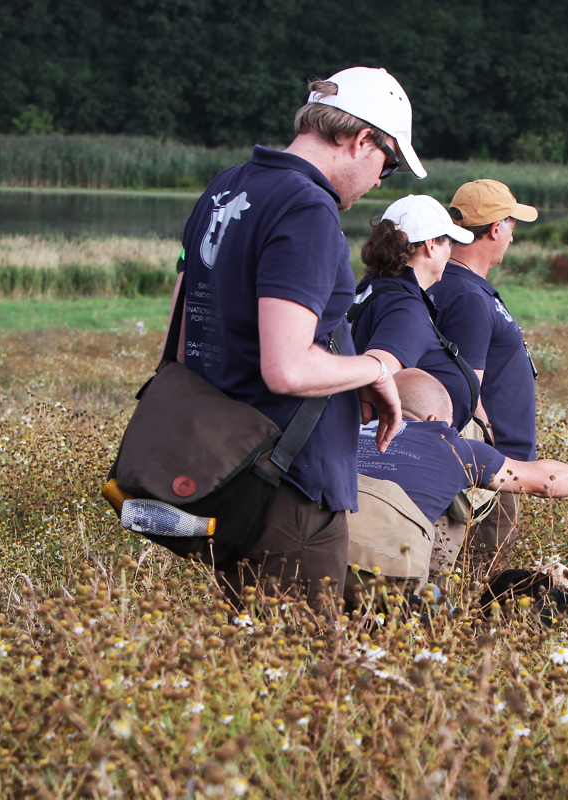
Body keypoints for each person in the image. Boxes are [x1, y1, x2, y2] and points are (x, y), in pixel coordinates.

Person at [173, 67, 426, 605]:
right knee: (305, 672)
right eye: (389, 164)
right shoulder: (308, 208)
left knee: (245, 663)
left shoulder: (226, 187)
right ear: (362, 140)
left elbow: (181, 334)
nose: (383, 180)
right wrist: (378, 368)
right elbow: (287, 368)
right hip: (290, 482)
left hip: (227, 467)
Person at [356, 369, 568, 543]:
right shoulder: (452, 446)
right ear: (433, 418)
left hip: (321, 557)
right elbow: (543, 481)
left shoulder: (340, 435)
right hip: (390, 567)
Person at [428, 179, 541, 577]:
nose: (512, 235)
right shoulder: (467, 296)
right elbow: (463, 388)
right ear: (496, 229)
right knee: (477, 577)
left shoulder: (459, 286)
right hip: (487, 471)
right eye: (512, 224)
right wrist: (489, 451)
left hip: (487, 465)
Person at [350, 194, 479, 429]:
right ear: (431, 246)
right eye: (448, 243)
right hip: (399, 453)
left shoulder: (370, 289)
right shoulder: (404, 307)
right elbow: (375, 372)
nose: (450, 253)